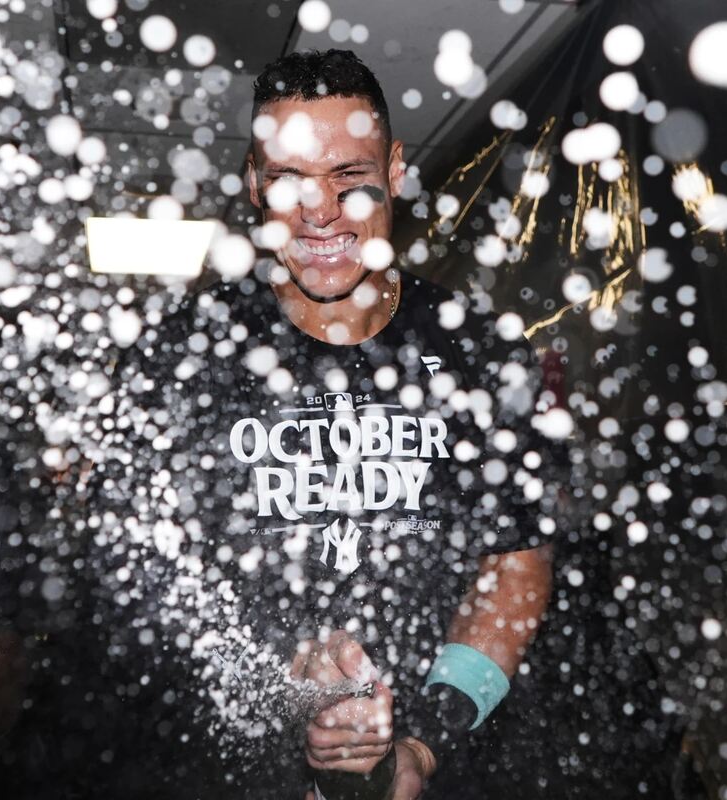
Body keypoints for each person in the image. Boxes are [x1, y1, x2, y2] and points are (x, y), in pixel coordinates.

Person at [100, 49, 555, 799]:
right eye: (287, 179)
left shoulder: (479, 352)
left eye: (348, 176)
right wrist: (278, 685)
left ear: (396, 169)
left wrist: (421, 742)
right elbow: (137, 576)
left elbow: (515, 565)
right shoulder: (181, 354)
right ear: (253, 180)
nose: (318, 211)